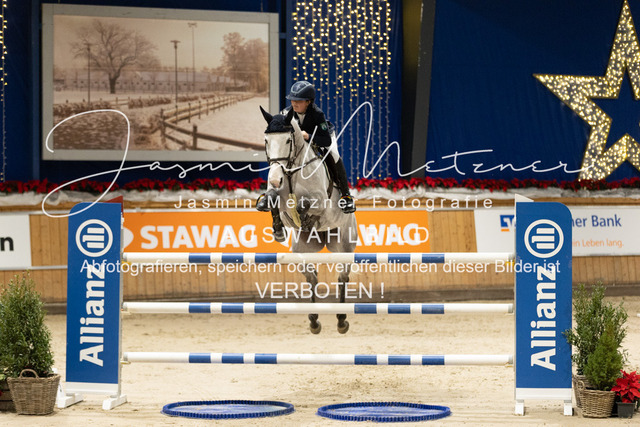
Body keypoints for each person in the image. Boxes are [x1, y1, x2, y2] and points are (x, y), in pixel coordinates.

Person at [256, 81, 356, 241]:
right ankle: (269, 194)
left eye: (299, 100)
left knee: (334, 155)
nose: (294, 103)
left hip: (320, 138)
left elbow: (325, 140)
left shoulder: (317, 114)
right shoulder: (286, 113)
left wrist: (308, 136)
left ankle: (345, 195)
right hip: (297, 146)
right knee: (280, 160)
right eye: (292, 100)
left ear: (308, 102)